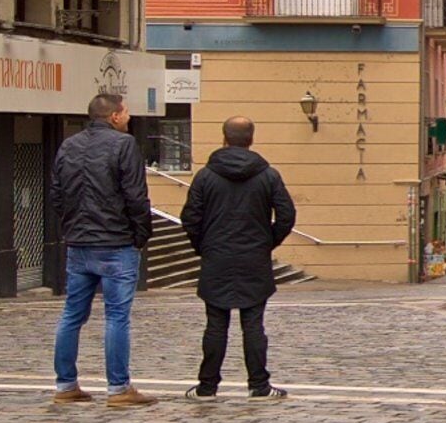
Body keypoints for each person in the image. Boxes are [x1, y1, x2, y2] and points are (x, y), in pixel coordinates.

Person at [51, 89, 156, 406]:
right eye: (126, 112)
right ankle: (118, 388)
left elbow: (57, 193)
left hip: (79, 243)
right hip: (115, 241)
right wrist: (140, 235)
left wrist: (70, 227)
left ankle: (66, 385)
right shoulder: (124, 145)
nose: (129, 117)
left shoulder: (69, 145)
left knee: (72, 314)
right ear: (114, 116)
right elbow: (136, 196)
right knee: (117, 316)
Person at [180, 117, 297, 399]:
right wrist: (267, 242)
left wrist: (203, 245)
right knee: (254, 325)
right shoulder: (268, 175)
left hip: (217, 257)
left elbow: (190, 218)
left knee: (215, 324)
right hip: (253, 257)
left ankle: (207, 386)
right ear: (251, 139)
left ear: (224, 138)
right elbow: (287, 215)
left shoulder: (206, 176)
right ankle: (259, 385)